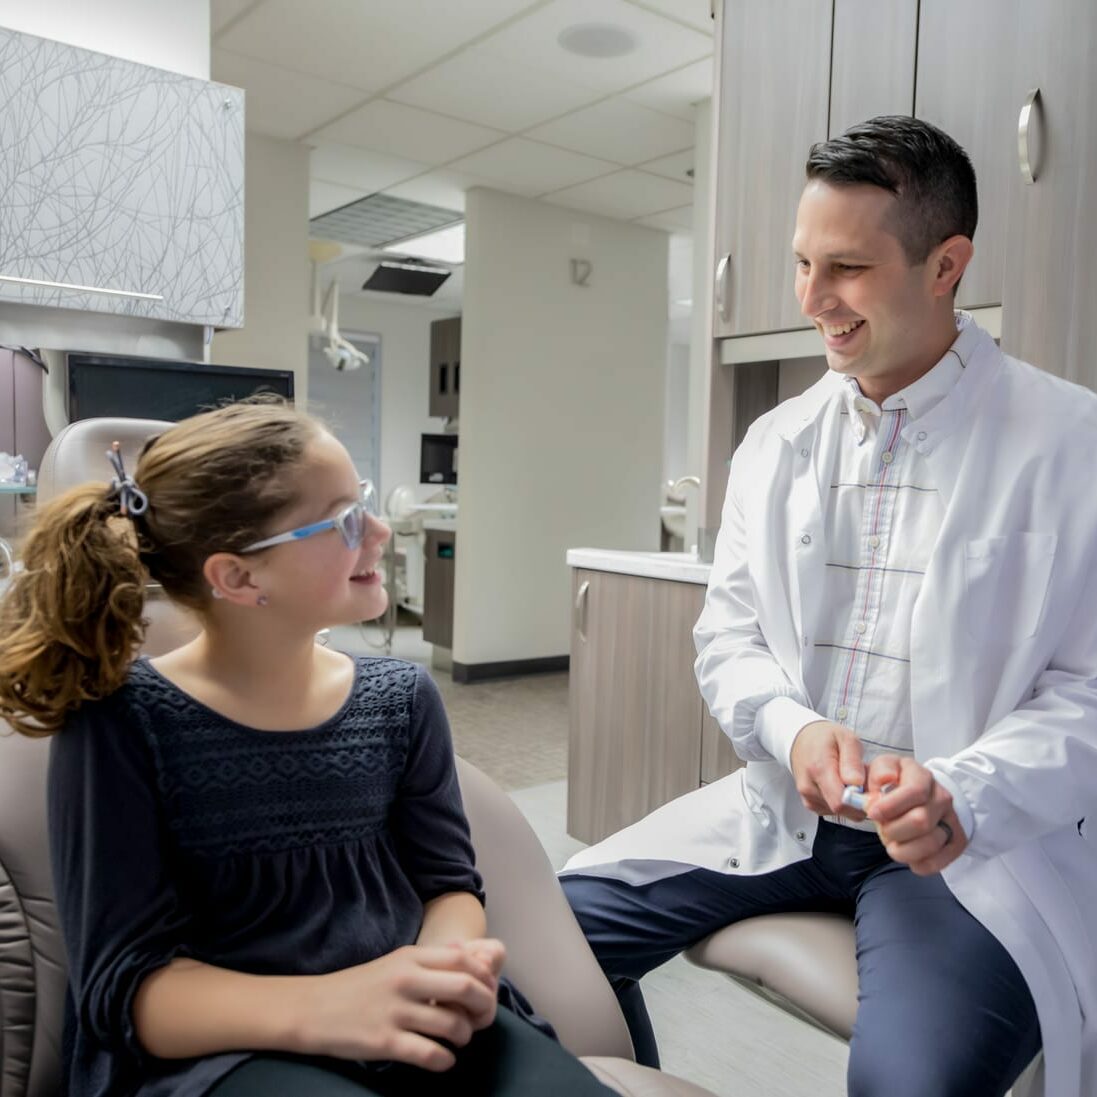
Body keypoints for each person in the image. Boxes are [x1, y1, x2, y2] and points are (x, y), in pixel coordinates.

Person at [561, 115, 1097, 1097]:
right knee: (534, 956)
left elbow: (1087, 692)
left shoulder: (1071, 442)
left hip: (957, 846)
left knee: (906, 1082)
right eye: (802, 263)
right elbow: (728, 633)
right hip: (782, 804)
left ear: (945, 264)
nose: (812, 300)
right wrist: (792, 728)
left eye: (844, 267)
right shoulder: (776, 440)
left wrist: (960, 794)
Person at [0, 399, 615, 1097]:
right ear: (238, 576)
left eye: (367, 503)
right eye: (347, 520)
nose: (380, 532)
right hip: (221, 1054)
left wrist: (439, 973)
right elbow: (128, 986)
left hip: (402, 1014)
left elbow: (449, 886)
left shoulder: (401, 699)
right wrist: (338, 1006)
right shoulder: (123, 723)